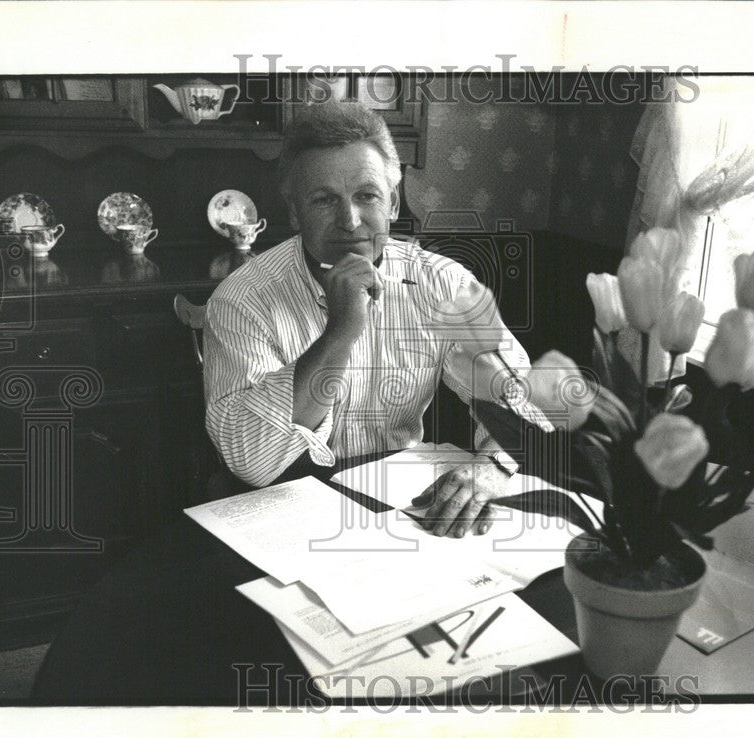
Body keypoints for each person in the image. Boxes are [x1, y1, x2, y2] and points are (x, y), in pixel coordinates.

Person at [203, 100, 529, 538]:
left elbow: (523, 397)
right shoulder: (242, 299)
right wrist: (339, 334)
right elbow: (251, 461)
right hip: (278, 514)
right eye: (323, 200)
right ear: (295, 211)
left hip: (399, 507)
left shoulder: (442, 285)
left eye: (366, 195)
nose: (350, 221)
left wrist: (493, 468)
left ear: (392, 203)